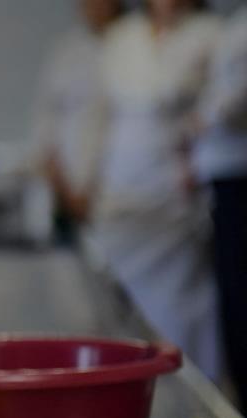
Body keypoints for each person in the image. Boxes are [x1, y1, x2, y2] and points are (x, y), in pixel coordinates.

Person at [88, 0, 223, 380]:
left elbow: (216, 112)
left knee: (181, 309)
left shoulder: (209, 35)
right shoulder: (123, 36)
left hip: (174, 193)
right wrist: (89, 180)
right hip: (121, 187)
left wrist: (196, 161)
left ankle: (188, 396)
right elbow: (101, 118)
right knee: (119, 310)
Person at [30, 0, 125, 244]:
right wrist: (64, 188)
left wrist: (92, 190)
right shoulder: (66, 51)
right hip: (65, 189)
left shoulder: (133, 45)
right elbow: (45, 126)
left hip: (116, 191)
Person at [194, 4, 247, 403]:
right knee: (232, 296)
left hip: (238, 176)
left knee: (239, 294)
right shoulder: (232, 24)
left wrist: (204, 118)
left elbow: (235, 101)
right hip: (223, 175)